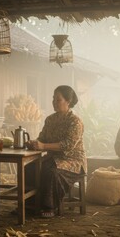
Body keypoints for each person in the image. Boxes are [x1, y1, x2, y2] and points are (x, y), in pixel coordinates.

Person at [26, 85, 87, 218]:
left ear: (68, 102)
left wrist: (43, 146)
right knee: (30, 167)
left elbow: (68, 145)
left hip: (73, 161)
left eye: (58, 99)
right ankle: (29, 205)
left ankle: (49, 206)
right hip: (53, 158)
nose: (54, 102)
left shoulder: (75, 122)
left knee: (50, 171)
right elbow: (42, 138)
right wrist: (34, 143)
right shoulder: (50, 119)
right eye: (53, 99)